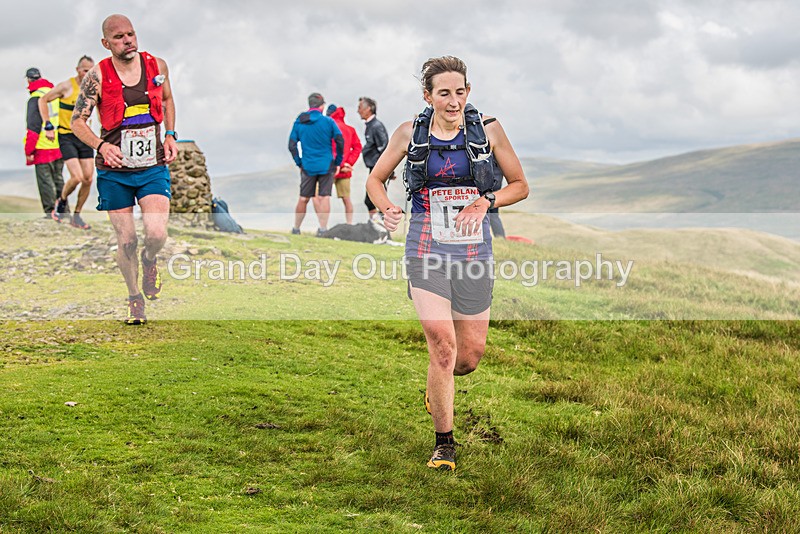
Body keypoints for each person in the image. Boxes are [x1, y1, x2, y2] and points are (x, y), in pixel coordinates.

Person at [366, 56, 529, 471]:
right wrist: (385, 207)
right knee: (442, 347)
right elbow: (375, 179)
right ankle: (444, 444)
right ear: (428, 96)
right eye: (444, 93)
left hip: (474, 251)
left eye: (459, 92)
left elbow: (520, 186)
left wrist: (486, 199)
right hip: (424, 248)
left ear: (467, 93)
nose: (453, 101)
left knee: (467, 357)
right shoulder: (409, 133)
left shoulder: (488, 130)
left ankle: (437, 390)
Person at [71, 14, 178, 325]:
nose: (127, 40)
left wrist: (171, 134)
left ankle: (150, 261)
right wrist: (102, 146)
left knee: (156, 233)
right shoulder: (97, 76)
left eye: (130, 34)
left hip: (152, 166)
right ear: (106, 44)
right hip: (114, 170)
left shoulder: (157, 66)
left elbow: (169, 99)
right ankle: (134, 297)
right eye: (118, 37)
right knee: (127, 240)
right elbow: (77, 121)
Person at [39, 56, 96, 229]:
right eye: (85, 70)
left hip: (84, 136)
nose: (88, 74)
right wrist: (47, 124)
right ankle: (62, 202)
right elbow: (43, 100)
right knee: (77, 177)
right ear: (78, 70)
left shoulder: (93, 89)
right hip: (66, 135)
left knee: (88, 179)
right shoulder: (66, 86)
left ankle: (76, 216)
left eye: (91, 71)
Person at [288, 93, 344, 236]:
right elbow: (339, 140)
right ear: (322, 106)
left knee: (303, 198)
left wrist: (299, 162)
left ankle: (296, 228)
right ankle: (323, 229)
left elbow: (292, 145)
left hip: (307, 165)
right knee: (324, 196)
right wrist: (338, 162)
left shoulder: (300, 121)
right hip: (326, 164)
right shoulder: (328, 122)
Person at [24, 67, 64, 217]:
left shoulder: (36, 98)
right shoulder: (55, 95)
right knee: (59, 179)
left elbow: (33, 128)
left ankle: (50, 213)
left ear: (28, 80)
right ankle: (63, 212)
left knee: (46, 182)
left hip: (43, 146)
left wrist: (29, 151)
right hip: (59, 145)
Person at [326, 104, 362, 224]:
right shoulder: (350, 129)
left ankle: (323, 226)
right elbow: (358, 147)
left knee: (323, 198)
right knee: (347, 199)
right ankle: (349, 224)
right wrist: (348, 163)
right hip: (344, 170)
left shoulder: (328, 127)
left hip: (329, 168)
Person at [357, 96, 392, 217]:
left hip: (378, 169)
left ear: (369, 109)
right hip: (375, 167)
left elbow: (385, 148)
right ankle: (375, 228)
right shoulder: (370, 125)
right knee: (372, 201)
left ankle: (381, 229)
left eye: (360, 107)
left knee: (375, 201)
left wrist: (387, 170)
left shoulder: (376, 126)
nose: (358, 110)